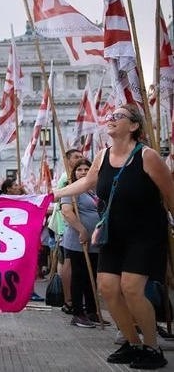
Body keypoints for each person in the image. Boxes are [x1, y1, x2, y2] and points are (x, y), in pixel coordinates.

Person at [54, 105, 171, 369]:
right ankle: (132, 343)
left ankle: (152, 348)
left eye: (118, 116)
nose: (110, 119)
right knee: (107, 287)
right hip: (113, 233)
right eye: (110, 116)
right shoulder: (102, 156)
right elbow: (86, 183)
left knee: (131, 288)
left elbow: (170, 194)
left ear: (133, 127)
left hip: (145, 234)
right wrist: (54, 194)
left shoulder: (148, 156)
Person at [59, 158, 103, 328]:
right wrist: (82, 229)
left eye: (87, 169)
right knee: (79, 275)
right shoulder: (71, 190)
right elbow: (67, 213)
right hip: (79, 240)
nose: (83, 172)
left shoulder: (95, 190)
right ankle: (78, 313)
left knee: (92, 276)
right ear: (74, 173)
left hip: (96, 241)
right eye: (80, 170)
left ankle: (92, 311)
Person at [49, 149, 84, 315]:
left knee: (65, 262)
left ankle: (69, 299)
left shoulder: (71, 177)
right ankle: (69, 299)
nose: (80, 159)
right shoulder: (67, 178)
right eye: (76, 157)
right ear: (68, 160)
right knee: (67, 263)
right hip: (66, 227)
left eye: (81, 156)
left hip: (67, 227)